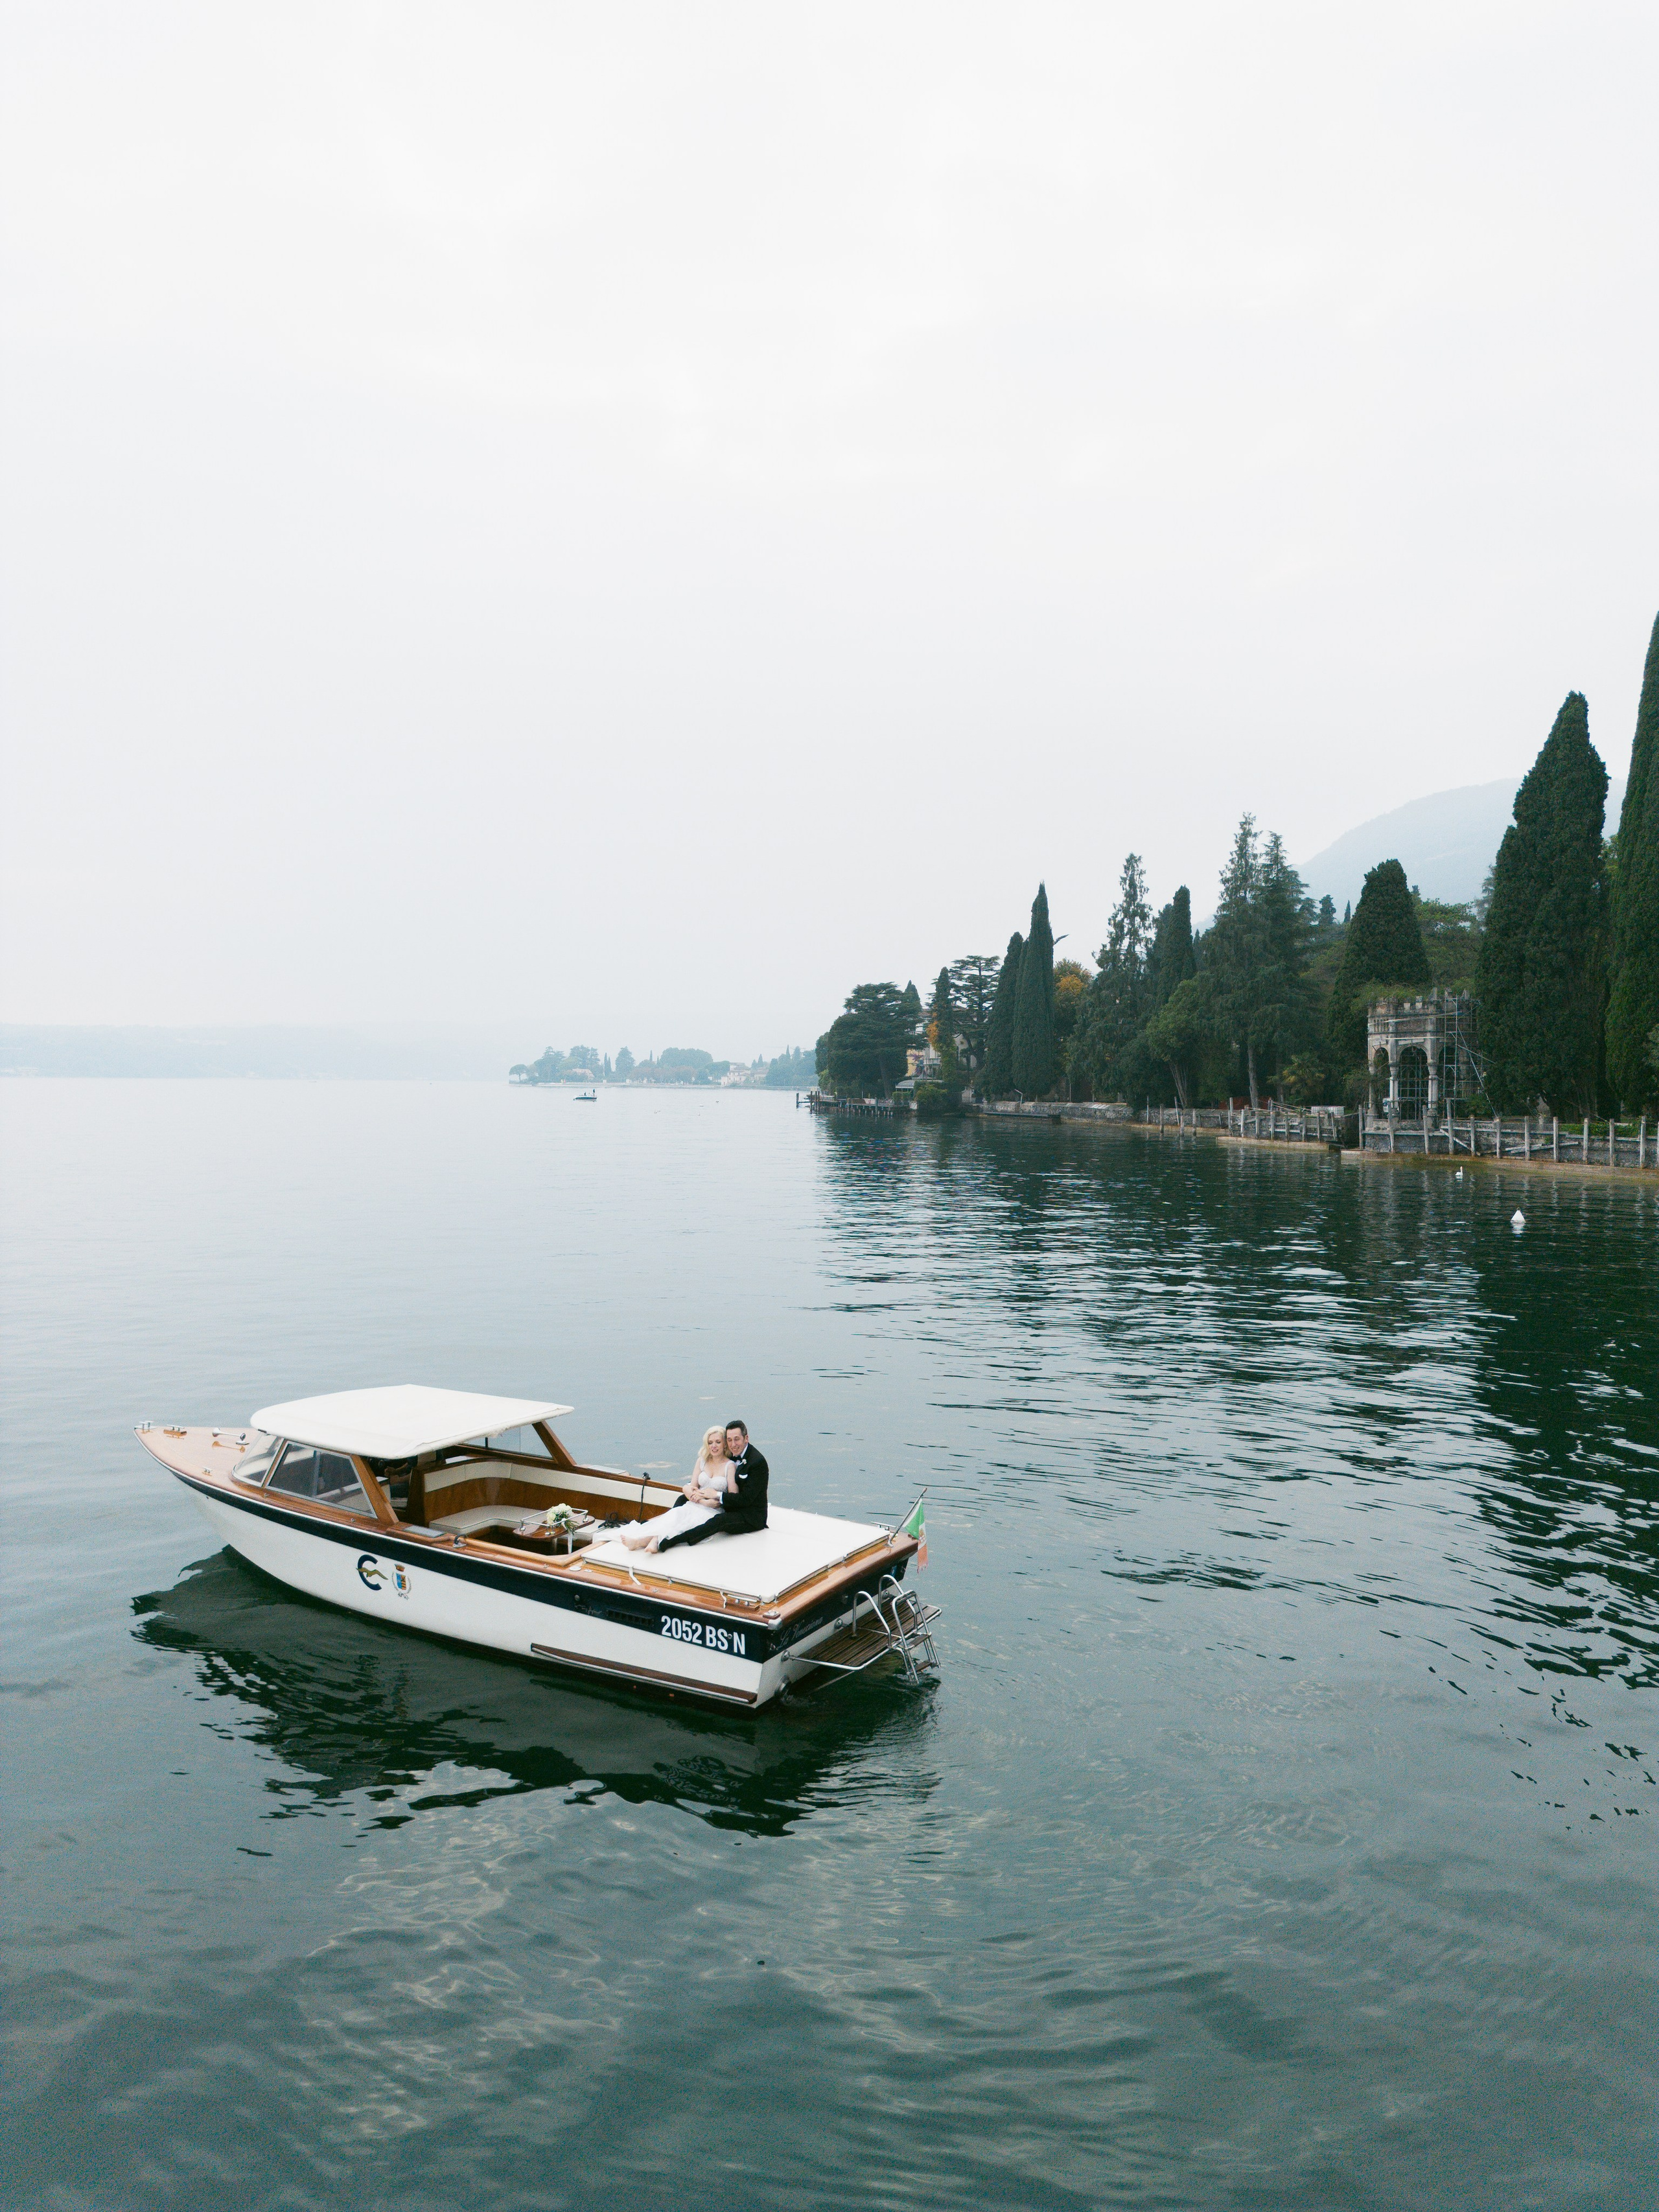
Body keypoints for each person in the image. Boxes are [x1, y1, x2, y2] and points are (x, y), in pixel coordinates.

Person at [654, 1420, 768, 1551]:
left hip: (750, 1515)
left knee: (720, 1521)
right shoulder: (731, 1453)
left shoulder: (757, 1462)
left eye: (737, 1439)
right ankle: (661, 1527)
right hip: (730, 1503)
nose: (733, 1444)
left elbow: (746, 1499)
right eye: (729, 1440)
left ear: (746, 1438)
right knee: (682, 1499)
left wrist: (716, 1495)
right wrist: (692, 1491)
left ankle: (672, 1541)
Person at [620, 1426, 729, 1552]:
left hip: (713, 1511)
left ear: (725, 1444)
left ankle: (642, 1542)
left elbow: (732, 1496)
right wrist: (703, 1501)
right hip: (695, 1504)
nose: (714, 1446)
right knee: (675, 1515)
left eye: (718, 1442)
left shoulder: (729, 1466)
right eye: (710, 1443)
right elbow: (692, 1488)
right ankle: (649, 1541)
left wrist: (713, 1499)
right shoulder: (702, 1461)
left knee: (686, 1524)